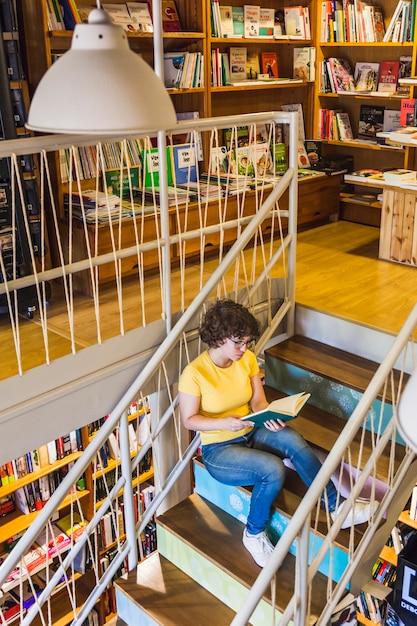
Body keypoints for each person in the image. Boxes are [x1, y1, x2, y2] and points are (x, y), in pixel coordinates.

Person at [178, 299, 378, 567]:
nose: (244, 348)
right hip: (219, 449)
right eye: (238, 342)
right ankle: (253, 533)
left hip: (250, 429)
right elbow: (189, 420)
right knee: (272, 470)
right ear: (219, 338)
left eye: (247, 342)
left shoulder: (246, 360)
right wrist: (224, 423)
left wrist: (269, 415)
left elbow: (258, 403)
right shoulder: (194, 373)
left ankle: (336, 506)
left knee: (293, 439)